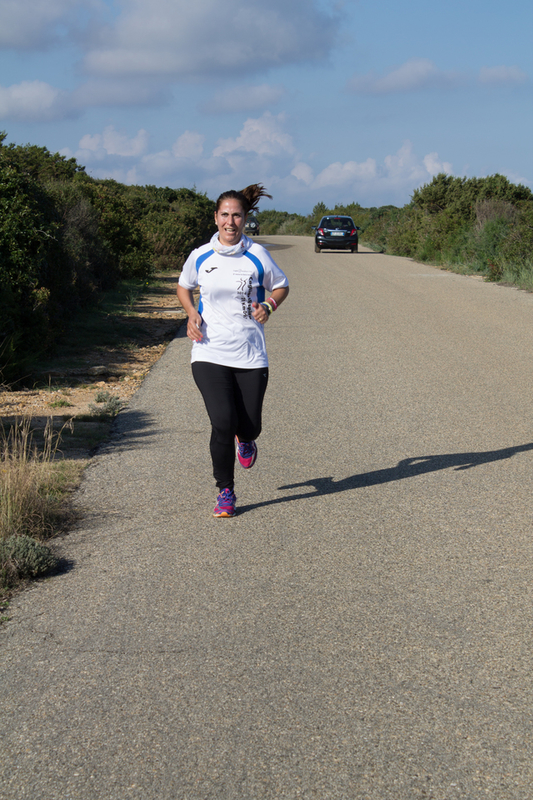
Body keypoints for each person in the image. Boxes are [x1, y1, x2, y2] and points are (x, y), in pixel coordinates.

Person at [177, 184, 290, 517]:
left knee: (249, 424)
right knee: (222, 421)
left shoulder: (257, 256)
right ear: (215, 218)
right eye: (224, 215)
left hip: (250, 353)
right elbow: (184, 287)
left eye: (237, 215)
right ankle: (225, 491)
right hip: (209, 351)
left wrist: (268, 305)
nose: (230, 222)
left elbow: (281, 285)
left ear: (245, 219)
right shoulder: (200, 255)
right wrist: (191, 313)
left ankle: (248, 439)